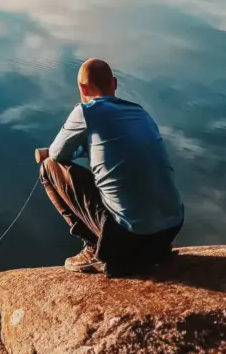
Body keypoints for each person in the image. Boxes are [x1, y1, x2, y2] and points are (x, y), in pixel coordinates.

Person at [37, 58, 184, 276]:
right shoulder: (140, 113)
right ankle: (156, 251)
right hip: (170, 230)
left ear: (83, 88)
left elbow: (58, 154)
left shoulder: (86, 112)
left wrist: (70, 150)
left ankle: (93, 247)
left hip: (128, 238)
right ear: (114, 83)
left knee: (49, 167)